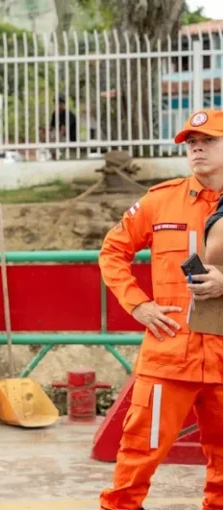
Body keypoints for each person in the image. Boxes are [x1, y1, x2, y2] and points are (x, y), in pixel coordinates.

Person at [98, 109, 223, 510]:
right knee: (137, 457)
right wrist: (139, 305)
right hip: (169, 356)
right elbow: (112, 252)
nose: (197, 149)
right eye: (191, 143)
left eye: (208, 141)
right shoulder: (160, 201)